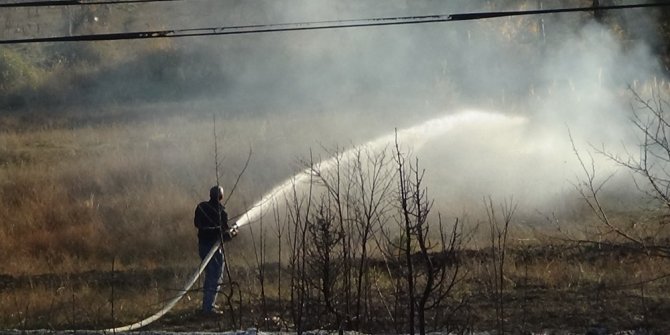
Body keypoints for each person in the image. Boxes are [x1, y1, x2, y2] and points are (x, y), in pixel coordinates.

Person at [194, 185, 238, 315]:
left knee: (210, 275)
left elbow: (197, 224)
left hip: (202, 246)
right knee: (215, 276)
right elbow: (224, 236)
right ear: (221, 197)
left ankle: (207, 305)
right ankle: (208, 308)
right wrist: (233, 233)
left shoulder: (201, 207)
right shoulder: (221, 212)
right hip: (214, 249)